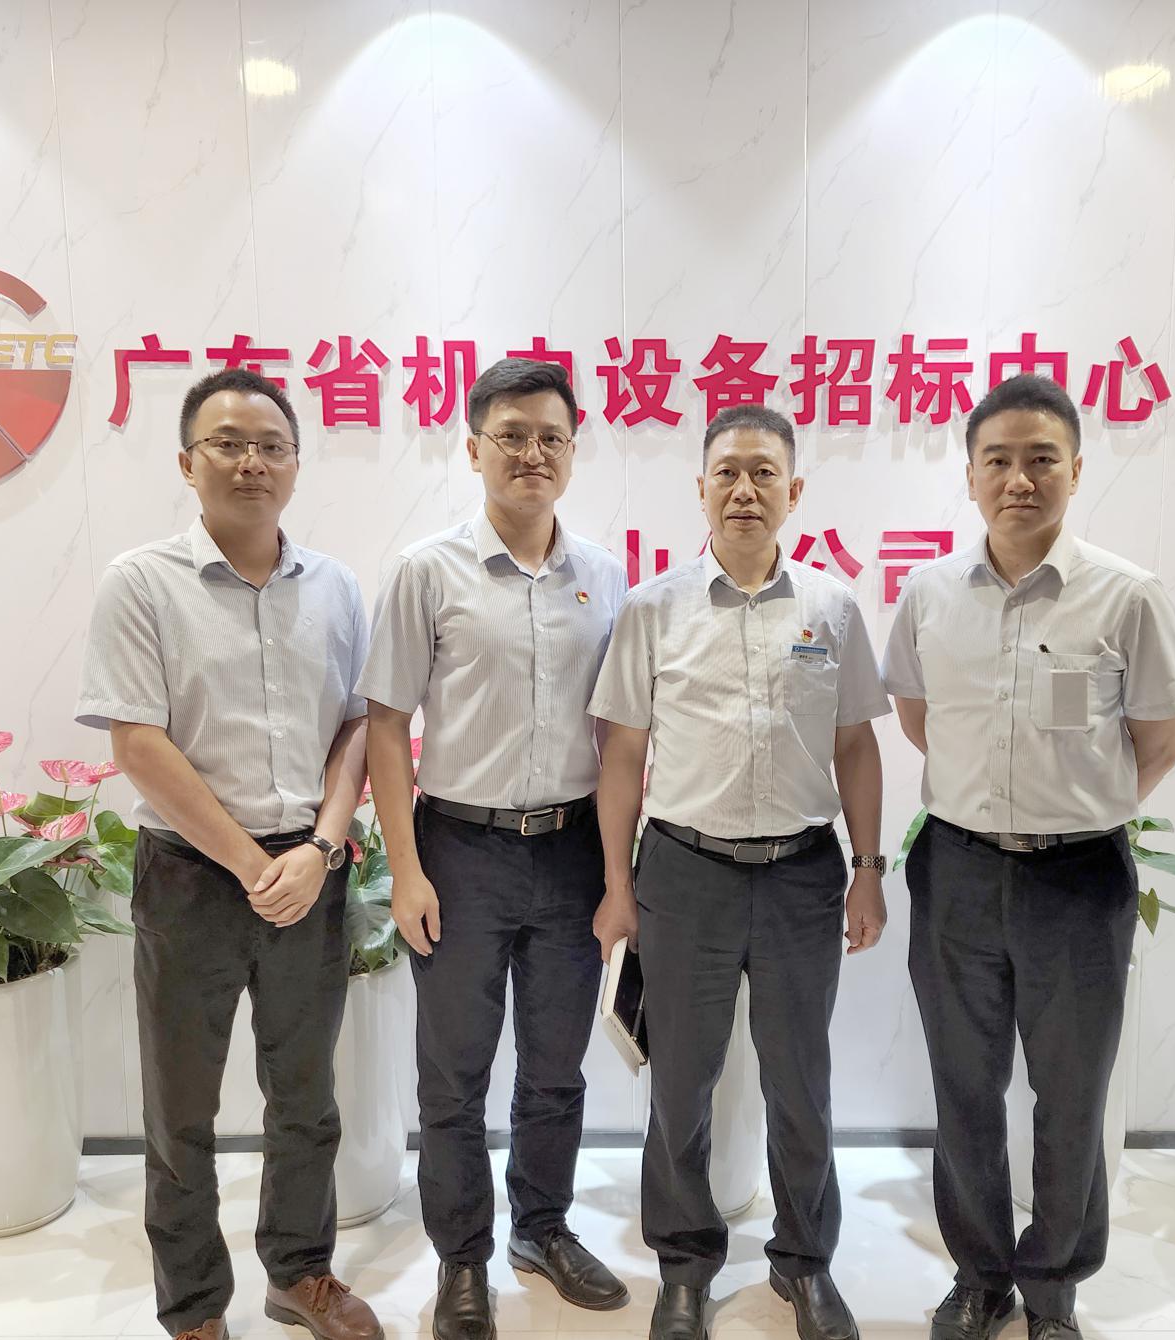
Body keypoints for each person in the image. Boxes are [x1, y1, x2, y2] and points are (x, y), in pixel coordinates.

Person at [882, 374, 1175, 1340]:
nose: (1019, 479)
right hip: (958, 870)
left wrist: (1076, 808)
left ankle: (1053, 1288)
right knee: (963, 1086)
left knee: (1071, 1092)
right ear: (970, 474)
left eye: (1041, 459)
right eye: (999, 460)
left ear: (1075, 470)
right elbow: (919, 720)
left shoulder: (1126, 595)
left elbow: (1159, 741)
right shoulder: (928, 594)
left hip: (1077, 879)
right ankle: (980, 1276)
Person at [76, 368, 381, 1340]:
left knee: (307, 1096)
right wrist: (255, 865)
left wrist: (322, 846)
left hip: (312, 870)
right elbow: (138, 743)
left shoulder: (336, 588)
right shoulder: (140, 583)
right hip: (191, 877)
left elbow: (359, 727)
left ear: (295, 463)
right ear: (186, 462)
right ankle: (195, 1305)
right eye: (228, 443)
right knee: (181, 1110)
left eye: (271, 446)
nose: (252, 461)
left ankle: (300, 1272)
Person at [588, 404, 890, 1340]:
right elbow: (620, 756)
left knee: (801, 1083)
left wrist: (867, 869)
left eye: (764, 473)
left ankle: (804, 1264)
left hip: (801, 873)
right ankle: (684, 1268)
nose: (745, 490)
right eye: (727, 472)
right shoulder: (653, 608)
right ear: (701, 489)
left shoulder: (832, 609)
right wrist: (617, 887)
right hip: (685, 873)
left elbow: (856, 746)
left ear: (793, 491)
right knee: (680, 1083)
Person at [359, 358, 630, 1340]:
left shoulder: (603, 575)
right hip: (459, 851)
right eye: (510, 435)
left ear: (573, 451)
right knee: (455, 1074)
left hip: (569, 851)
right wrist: (406, 869)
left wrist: (619, 874)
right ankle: (462, 1256)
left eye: (551, 436)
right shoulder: (426, 571)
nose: (531, 453)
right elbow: (387, 724)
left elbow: (619, 735)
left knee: (557, 1065)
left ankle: (542, 1229)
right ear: (472, 447)